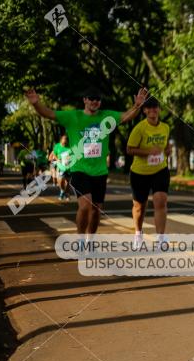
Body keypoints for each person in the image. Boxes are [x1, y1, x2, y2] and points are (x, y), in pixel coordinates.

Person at [25, 86, 148, 237]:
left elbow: (126, 116)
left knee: (96, 210)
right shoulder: (73, 117)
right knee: (85, 206)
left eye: (97, 99)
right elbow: (49, 113)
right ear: (85, 100)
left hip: (100, 171)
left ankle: (90, 239)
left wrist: (137, 105)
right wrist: (36, 103)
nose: (94, 102)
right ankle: (81, 238)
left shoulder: (106, 116)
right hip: (79, 169)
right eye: (91, 98)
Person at [126, 96, 172, 249]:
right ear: (144, 111)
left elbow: (165, 148)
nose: (152, 110)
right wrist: (147, 152)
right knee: (139, 206)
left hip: (160, 169)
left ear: (159, 109)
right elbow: (129, 149)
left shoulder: (165, 127)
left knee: (160, 200)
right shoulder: (140, 128)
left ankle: (161, 238)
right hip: (140, 172)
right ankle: (138, 234)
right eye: (149, 108)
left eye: (155, 107)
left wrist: (168, 150)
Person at [49, 134, 73, 200]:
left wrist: (70, 159)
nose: (65, 140)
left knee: (67, 182)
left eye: (66, 139)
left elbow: (73, 155)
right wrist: (57, 159)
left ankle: (67, 194)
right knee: (60, 181)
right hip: (60, 166)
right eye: (64, 139)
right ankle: (62, 190)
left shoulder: (70, 146)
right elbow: (54, 153)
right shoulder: (57, 146)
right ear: (61, 140)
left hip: (68, 167)